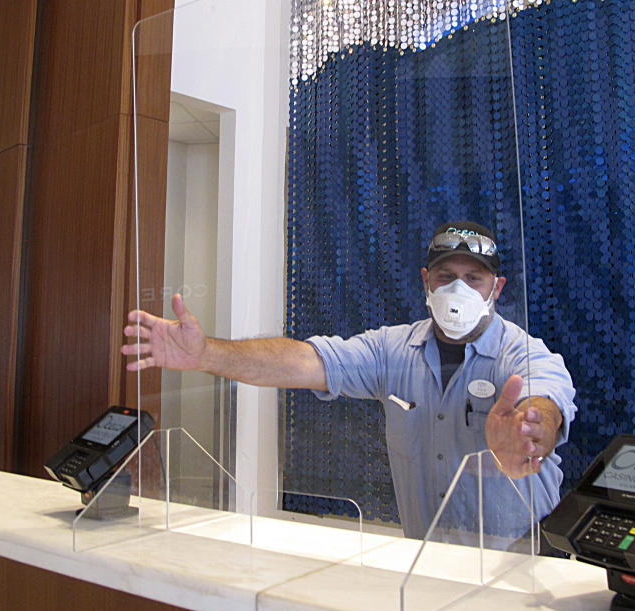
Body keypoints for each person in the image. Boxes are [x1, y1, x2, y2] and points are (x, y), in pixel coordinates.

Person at [122, 221, 576, 541]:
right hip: (426, 562)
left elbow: (549, 398)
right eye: (446, 276)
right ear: (426, 282)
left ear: (495, 289)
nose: (458, 291)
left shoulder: (521, 352)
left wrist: (531, 429)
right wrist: (206, 353)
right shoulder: (391, 351)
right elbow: (302, 362)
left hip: (520, 557)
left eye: (473, 279)